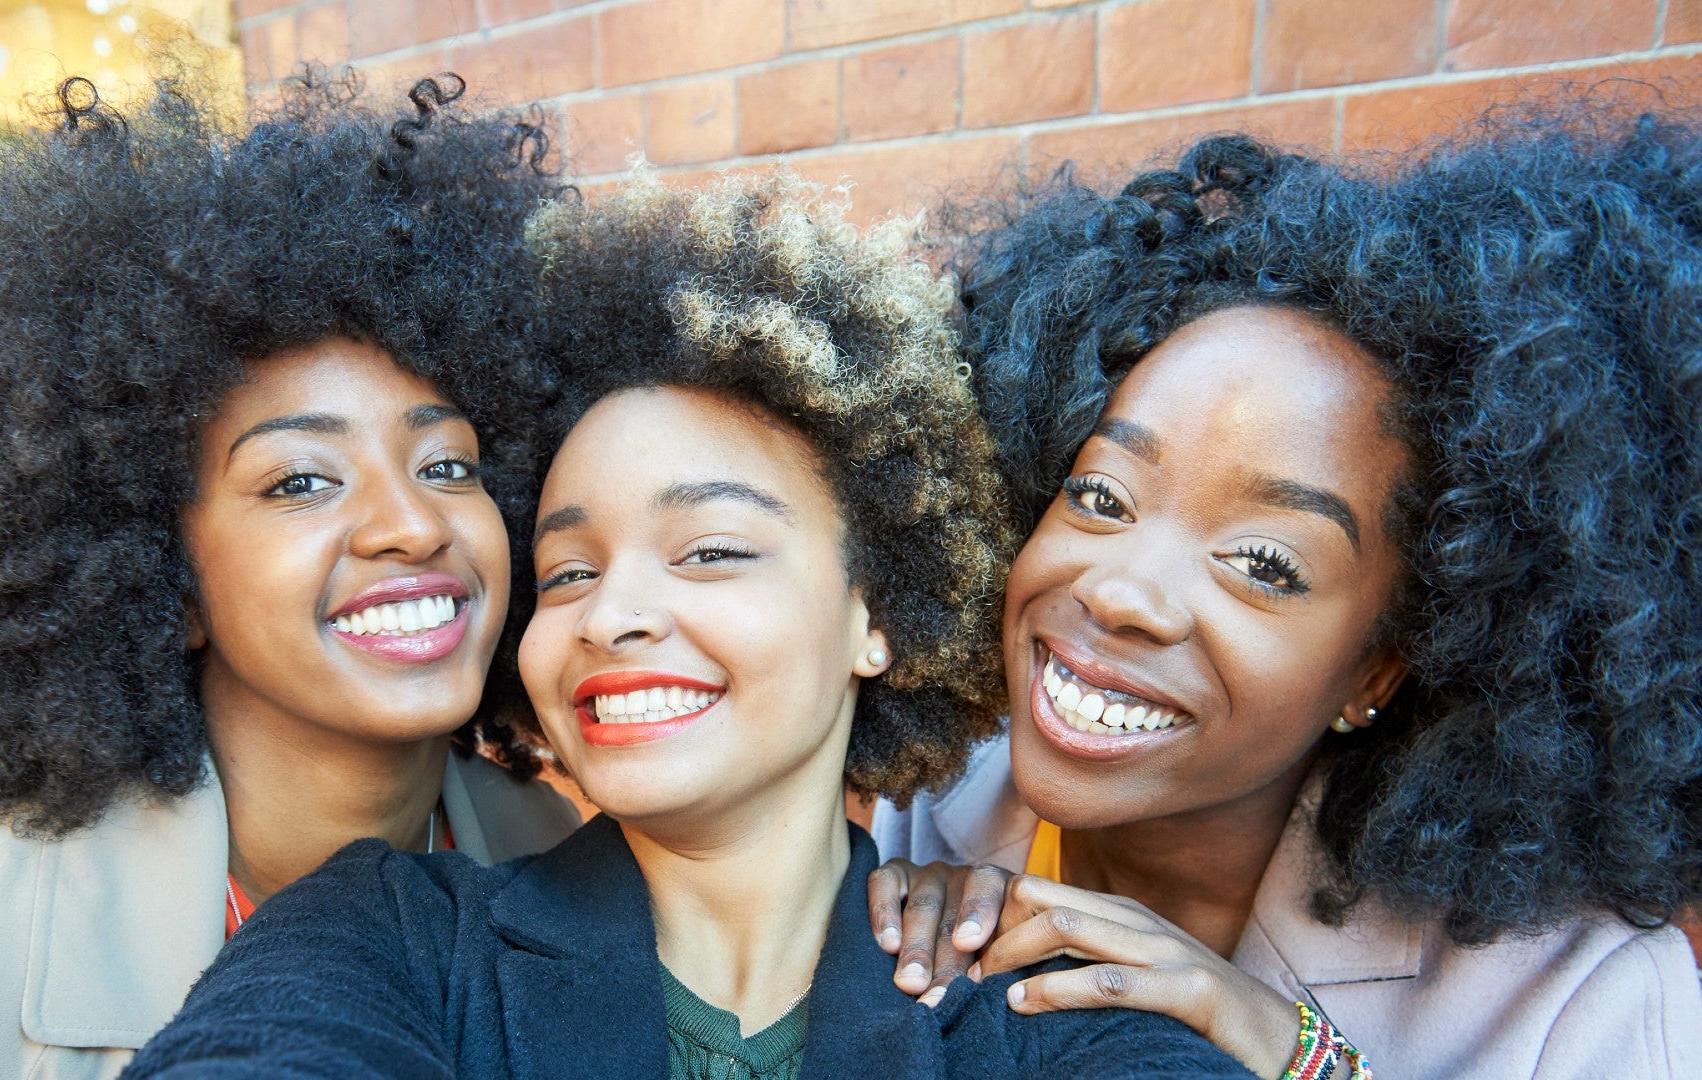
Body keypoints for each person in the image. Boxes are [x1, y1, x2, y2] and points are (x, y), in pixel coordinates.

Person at [124, 173, 1254, 1079]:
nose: (611, 614)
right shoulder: (383, 934)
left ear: (880, 616)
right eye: (565, 572)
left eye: (712, 550)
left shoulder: (1039, 1006)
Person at [0, 71, 579, 1079]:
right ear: (164, 573)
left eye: (448, 465)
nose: (413, 524)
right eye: (299, 480)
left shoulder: (543, 848)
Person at [870, 115, 1702, 1078]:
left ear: (1381, 665)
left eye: (1264, 563)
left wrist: (1299, 1058)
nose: (1126, 590)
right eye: (1100, 495)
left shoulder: (1575, 1003)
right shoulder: (913, 803)